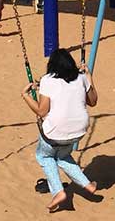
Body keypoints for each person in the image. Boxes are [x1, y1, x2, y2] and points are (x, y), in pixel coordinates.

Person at [21, 48, 99, 212]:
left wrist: (26, 96)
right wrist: (89, 76)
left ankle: (58, 192)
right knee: (63, 156)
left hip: (56, 132)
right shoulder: (81, 77)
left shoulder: (48, 80)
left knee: (44, 156)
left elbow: (42, 111)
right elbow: (93, 101)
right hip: (79, 130)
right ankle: (87, 184)